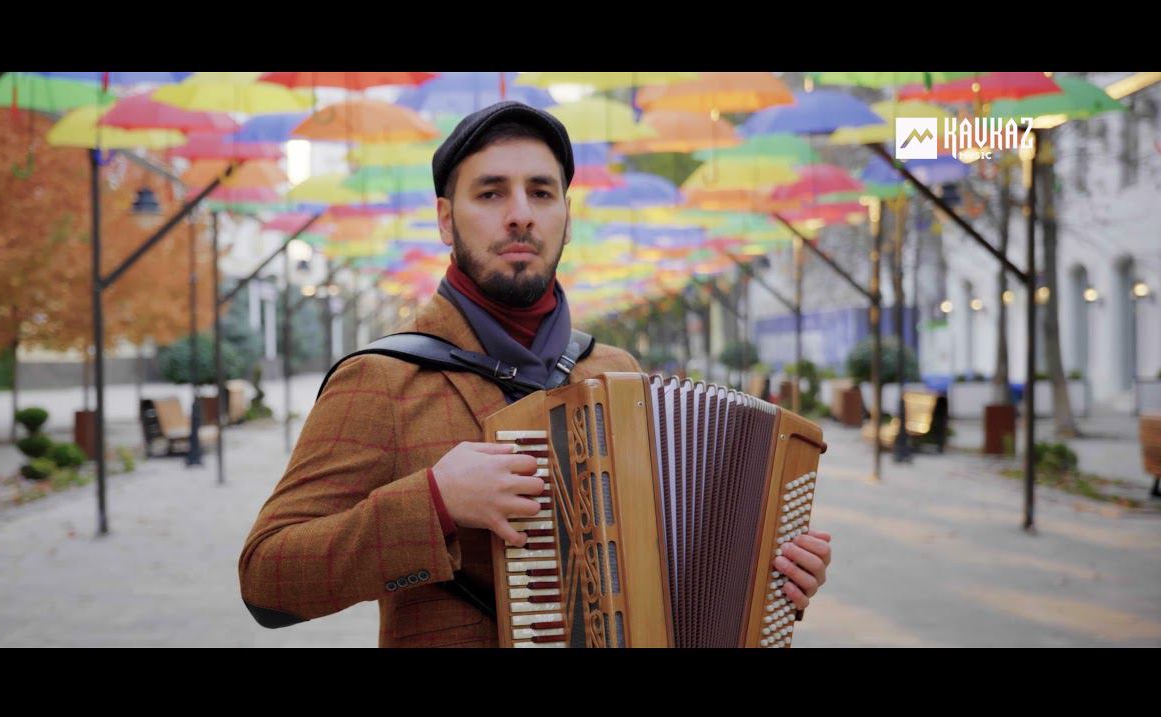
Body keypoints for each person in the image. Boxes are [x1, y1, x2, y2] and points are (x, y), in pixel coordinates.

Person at [238, 101, 832, 647]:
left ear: (566, 218)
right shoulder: (383, 380)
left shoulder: (615, 373)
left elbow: (673, 556)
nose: (520, 215)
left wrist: (765, 579)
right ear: (445, 219)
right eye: (491, 193)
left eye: (541, 193)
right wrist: (435, 502)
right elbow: (267, 578)